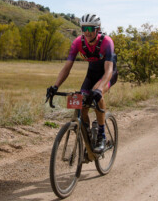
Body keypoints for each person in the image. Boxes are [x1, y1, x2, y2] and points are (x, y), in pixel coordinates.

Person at [47, 13, 118, 153]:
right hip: (91, 74)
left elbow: (109, 70)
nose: (87, 32)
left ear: (98, 29)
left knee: (97, 95)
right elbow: (67, 67)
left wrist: (99, 89)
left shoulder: (107, 42)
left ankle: (101, 136)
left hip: (108, 74)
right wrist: (55, 86)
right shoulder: (78, 42)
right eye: (84, 28)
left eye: (90, 29)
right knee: (82, 106)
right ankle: (88, 137)